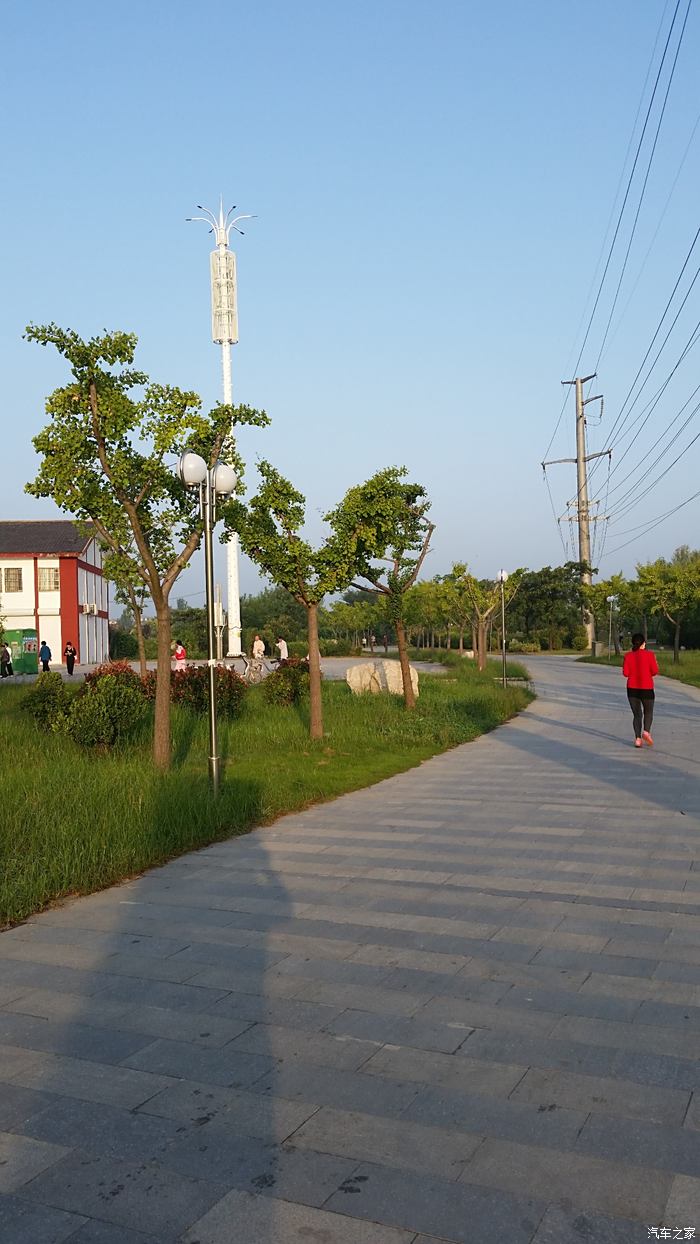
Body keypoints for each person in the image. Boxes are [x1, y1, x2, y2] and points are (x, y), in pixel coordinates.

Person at [622, 633, 659, 748]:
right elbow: (654, 671)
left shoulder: (628, 656)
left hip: (632, 689)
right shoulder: (650, 655)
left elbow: (625, 673)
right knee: (648, 712)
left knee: (637, 714)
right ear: (643, 643)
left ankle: (638, 739)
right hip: (647, 688)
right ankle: (646, 732)